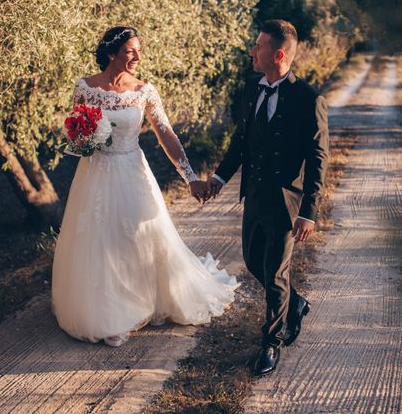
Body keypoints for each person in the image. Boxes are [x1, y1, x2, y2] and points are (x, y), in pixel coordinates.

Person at [52, 26, 238, 347]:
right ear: (112, 53)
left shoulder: (144, 91)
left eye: (139, 50)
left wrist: (190, 177)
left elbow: (167, 135)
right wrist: (83, 139)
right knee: (99, 240)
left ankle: (144, 300)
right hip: (95, 172)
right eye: (130, 51)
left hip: (132, 170)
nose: (138, 56)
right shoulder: (85, 87)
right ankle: (108, 313)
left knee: (138, 237)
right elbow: (75, 132)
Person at [206, 19, 329, 376]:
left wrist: (309, 211)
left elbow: (319, 159)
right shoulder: (249, 89)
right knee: (251, 260)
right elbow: (239, 143)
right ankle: (296, 305)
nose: (252, 52)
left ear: (277, 54)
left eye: (258, 46)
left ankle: (270, 344)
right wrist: (218, 177)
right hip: (255, 195)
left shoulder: (309, 99)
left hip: (286, 203)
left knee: (275, 274)